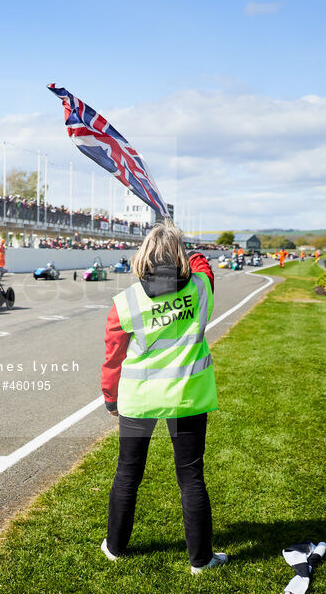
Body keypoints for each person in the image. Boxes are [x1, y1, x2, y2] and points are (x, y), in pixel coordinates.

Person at [100, 221, 226, 574]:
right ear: (181, 257)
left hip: (139, 398)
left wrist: (110, 396)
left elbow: (113, 357)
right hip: (187, 395)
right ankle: (201, 560)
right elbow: (202, 265)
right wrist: (187, 249)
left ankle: (115, 547)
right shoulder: (201, 287)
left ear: (142, 256)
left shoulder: (124, 302)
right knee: (191, 478)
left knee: (128, 473)